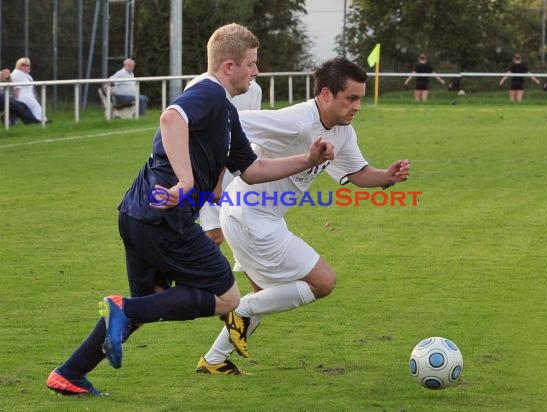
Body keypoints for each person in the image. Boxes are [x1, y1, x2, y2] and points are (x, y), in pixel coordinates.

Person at [46, 23, 334, 396]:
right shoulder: (210, 93)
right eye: (251, 64)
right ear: (229, 66)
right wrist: (185, 182)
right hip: (164, 219)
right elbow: (171, 118)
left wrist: (306, 159)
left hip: (137, 214)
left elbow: (253, 170)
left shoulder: (226, 112)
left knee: (147, 302)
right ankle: (120, 313)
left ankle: (70, 372)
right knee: (227, 297)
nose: (256, 72)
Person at [195, 56, 411, 375]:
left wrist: (387, 176)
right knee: (323, 282)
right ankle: (236, 312)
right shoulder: (296, 121)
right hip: (250, 216)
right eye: (351, 98)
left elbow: (358, 172)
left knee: (266, 296)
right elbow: (229, 123)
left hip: (255, 216)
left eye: (360, 99)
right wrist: (215, 177)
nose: (357, 106)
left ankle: (213, 361)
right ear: (326, 95)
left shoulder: (342, 132)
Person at [198, 79, 262, 247]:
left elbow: (250, 133)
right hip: (209, 170)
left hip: (239, 170)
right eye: (249, 63)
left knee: (246, 232)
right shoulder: (200, 85)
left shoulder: (255, 89)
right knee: (214, 235)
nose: (255, 70)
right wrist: (216, 181)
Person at [10, 57, 46, 122]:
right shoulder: (17, 73)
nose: (26, 67)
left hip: (29, 97)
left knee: (36, 106)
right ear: (19, 65)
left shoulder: (27, 75)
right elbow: (17, 89)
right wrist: (17, 101)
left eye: (27, 65)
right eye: (23, 65)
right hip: (23, 97)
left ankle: (40, 121)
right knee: (35, 106)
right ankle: (39, 121)